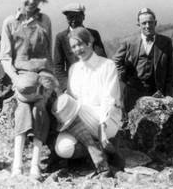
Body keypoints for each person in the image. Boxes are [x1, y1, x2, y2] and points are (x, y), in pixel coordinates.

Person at [0, 0, 54, 180]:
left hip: (43, 74)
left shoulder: (45, 20)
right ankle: (17, 164)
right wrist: (14, 79)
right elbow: (5, 57)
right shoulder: (9, 22)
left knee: (39, 108)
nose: (32, 1)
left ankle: (34, 164)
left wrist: (50, 79)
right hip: (22, 76)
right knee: (23, 106)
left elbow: (48, 53)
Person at [52, 27, 123, 177]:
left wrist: (103, 130)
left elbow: (108, 99)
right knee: (63, 148)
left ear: (90, 42)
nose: (78, 49)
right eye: (74, 46)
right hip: (81, 122)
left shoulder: (107, 65)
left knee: (69, 107)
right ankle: (97, 150)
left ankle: (99, 157)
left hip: (106, 120)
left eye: (80, 44)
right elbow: (72, 99)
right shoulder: (73, 70)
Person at [113, 8, 173, 113]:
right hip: (133, 92)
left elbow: (170, 72)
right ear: (139, 25)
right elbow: (116, 60)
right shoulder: (130, 42)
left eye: (150, 22)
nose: (147, 26)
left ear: (155, 23)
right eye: (144, 23)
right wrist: (124, 76)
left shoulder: (165, 42)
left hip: (156, 93)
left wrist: (168, 95)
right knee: (132, 123)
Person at [54, 3, 107, 91]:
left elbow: (102, 58)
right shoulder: (61, 37)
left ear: (83, 17)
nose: (73, 20)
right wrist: (66, 87)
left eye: (77, 16)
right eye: (70, 17)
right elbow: (58, 66)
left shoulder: (93, 34)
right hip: (73, 85)